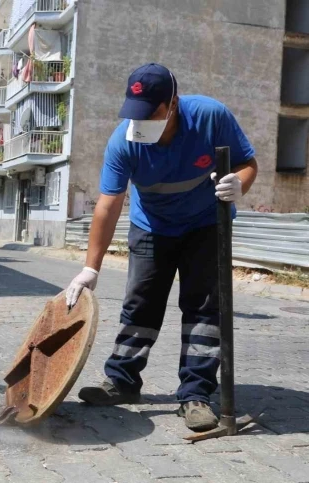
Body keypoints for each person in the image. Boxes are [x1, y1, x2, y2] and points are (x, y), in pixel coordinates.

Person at [66, 63, 258, 432]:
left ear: (173, 104)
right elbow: (108, 204)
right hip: (151, 226)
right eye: (135, 114)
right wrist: (91, 268)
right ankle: (122, 380)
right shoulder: (123, 141)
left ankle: (195, 394)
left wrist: (240, 185)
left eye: (151, 113)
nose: (141, 122)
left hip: (206, 224)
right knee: (141, 303)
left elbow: (248, 162)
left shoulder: (210, 116)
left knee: (204, 309)